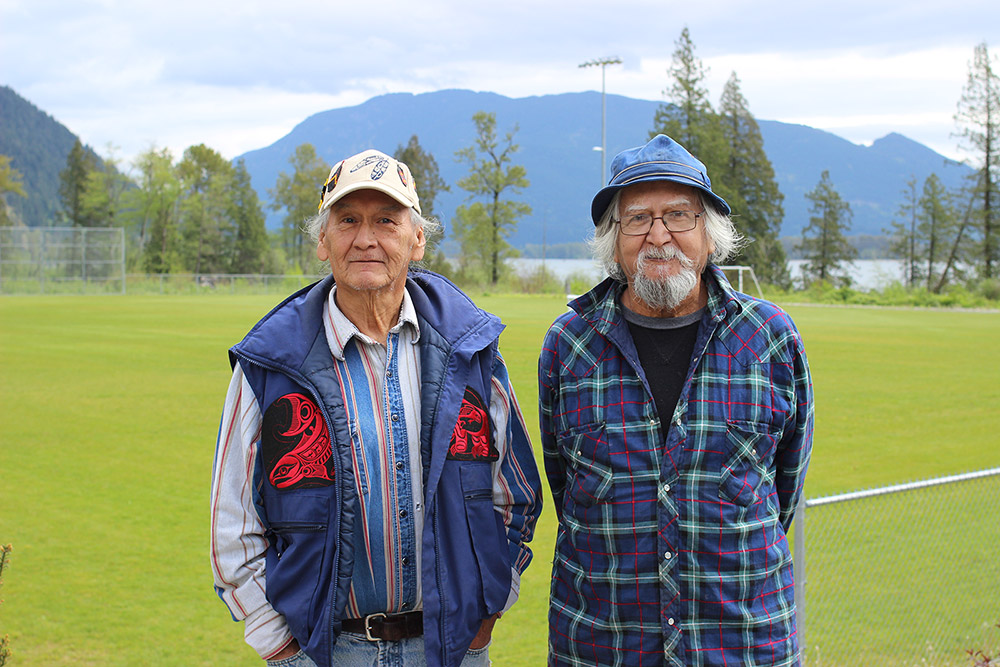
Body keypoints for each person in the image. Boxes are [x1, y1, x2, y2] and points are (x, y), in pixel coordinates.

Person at [211, 148, 542, 667]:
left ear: (417, 239)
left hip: (453, 650)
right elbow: (231, 526)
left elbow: (515, 496)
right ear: (323, 241)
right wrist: (283, 650)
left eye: (386, 220)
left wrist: (484, 619)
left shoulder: (471, 350)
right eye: (348, 221)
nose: (366, 238)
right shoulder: (270, 364)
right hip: (326, 652)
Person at [539, 134, 814, 666]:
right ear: (613, 240)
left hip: (743, 644)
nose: (658, 236)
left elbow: (784, 490)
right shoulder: (569, 343)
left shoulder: (771, 337)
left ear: (709, 235)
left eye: (679, 216)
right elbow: (564, 486)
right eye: (637, 219)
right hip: (603, 644)